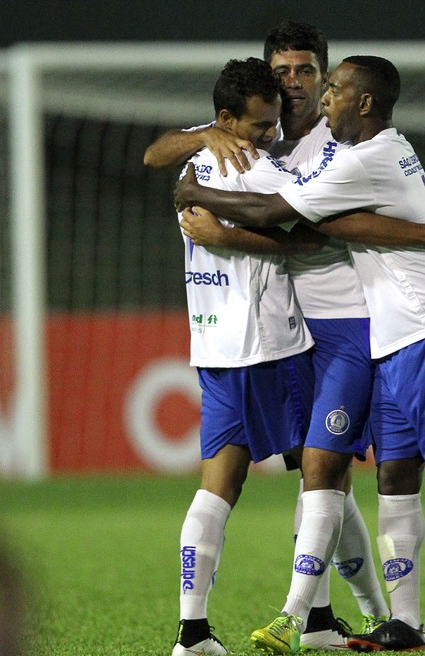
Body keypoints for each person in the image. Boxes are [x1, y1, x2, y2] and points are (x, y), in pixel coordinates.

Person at [173, 55, 425, 653]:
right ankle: (405, 624)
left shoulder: (370, 157)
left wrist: (188, 190)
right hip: (391, 338)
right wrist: (419, 232)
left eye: (333, 88)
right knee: (394, 474)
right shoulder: (375, 155)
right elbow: (341, 228)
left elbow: (277, 215)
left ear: (364, 103)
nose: (322, 98)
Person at [170, 56, 321, 656]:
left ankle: (192, 633)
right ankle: (317, 618)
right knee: (322, 473)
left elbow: (168, 163)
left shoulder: (193, 164)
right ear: (227, 118)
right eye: (261, 126)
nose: (271, 137)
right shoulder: (258, 172)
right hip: (270, 345)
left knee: (217, 488)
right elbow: (306, 239)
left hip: (213, 345)